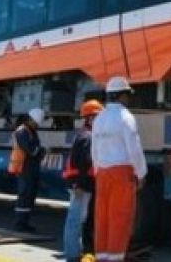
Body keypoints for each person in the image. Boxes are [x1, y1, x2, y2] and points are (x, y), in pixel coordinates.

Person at [92, 76, 148, 262]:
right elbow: (134, 148)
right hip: (121, 173)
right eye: (127, 95)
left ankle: (102, 256)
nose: (128, 98)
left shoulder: (99, 118)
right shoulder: (126, 117)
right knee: (120, 217)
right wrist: (141, 173)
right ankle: (115, 257)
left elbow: (94, 149)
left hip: (102, 172)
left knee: (102, 217)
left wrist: (97, 169)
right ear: (121, 96)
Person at [62, 99, 104, 262]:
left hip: (80, 183)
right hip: (81, 184)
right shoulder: (88, 137)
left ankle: (75, 251)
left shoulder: (84, 135)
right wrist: (79, 184)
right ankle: (72, 254)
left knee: (79, 218)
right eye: (98, 117)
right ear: (90, 118)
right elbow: (83, 163)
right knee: (76, 219)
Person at [9, 107, 47, 233]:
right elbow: (32, 150)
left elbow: (35, 149)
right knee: (25, 195)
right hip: (24, 168)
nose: (37, 126)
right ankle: (20, 223)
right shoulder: (22, 132)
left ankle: (25, 222)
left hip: (31, 168)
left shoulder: (30, 131)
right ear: (31, 120)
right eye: (36, 123)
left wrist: (40, 151)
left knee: (30, 195)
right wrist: (41, 151)